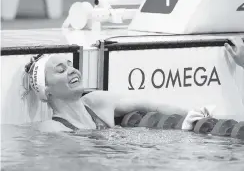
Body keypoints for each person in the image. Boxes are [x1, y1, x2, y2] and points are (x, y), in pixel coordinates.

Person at [22, 54, 212, 132]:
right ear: (47, 91)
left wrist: (189, 115)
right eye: (61, 70)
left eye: (71, 65)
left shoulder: (97, 102)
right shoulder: (52, 128)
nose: (72, 70)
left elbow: (150, 105)